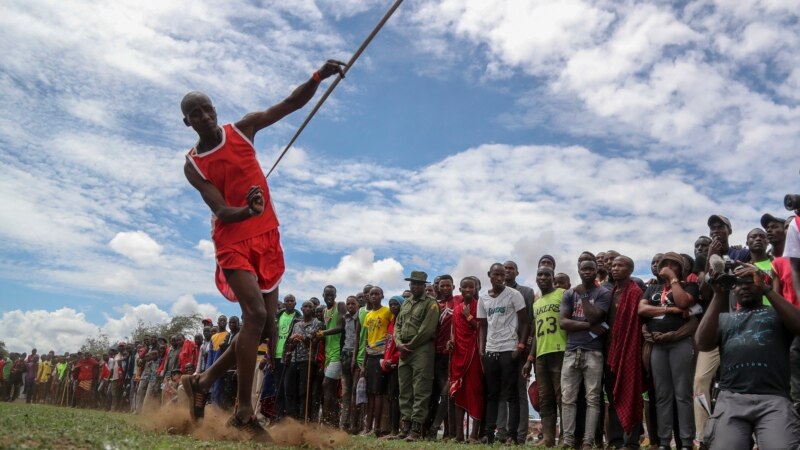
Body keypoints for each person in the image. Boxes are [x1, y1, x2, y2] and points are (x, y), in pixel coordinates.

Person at [180, 59, 345, 440]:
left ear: (215, 111)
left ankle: (202, 381)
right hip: (232, 239)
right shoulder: (193, 164)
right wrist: (247, 210)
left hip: (266, 236)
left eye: (207, 108)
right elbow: (220, 208)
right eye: (195, 113)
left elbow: (289, 104)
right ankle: (243, 411)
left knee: (267, 326)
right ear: (187, 122)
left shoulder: (244, 128)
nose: (203, 116)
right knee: (253, 313)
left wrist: (317, 77)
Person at [695, 262, 800, 449]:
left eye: (750, 281)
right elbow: (702, 343)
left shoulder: (777, 313)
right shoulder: (724, 318)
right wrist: (719, 295)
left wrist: (768, 290)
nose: (744, 286)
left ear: (760, 282)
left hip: (773, 399)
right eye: (737, 282)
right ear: (732, 289)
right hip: (731, 398)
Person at [638, 252, 698, 450]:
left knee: (682, 393)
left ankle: (687, 442)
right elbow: (642, 310)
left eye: (675, 265)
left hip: (680, 342)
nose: (670, 267)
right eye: (666, 264)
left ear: (682, 269)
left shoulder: (689, 286)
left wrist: (673, 280)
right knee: (662, 394)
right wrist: (670, 310)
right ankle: (664, 442)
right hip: (657, 345)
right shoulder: (652, 288)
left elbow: (683, 303)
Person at [559, 258, 611, 450]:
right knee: (568, 398)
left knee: (593, 399)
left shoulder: (603, 293)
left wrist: (582, 298)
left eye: (591, 269)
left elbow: (595, 316)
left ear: (596, 271)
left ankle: (588, 441)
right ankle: (568, 440)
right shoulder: (568, 294)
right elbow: (563, 323)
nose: (587, 272)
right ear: (579, 271)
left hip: (593, 352)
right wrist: (591, 327)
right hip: (572, 350)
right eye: (584, 269)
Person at [478, 263, 529, 445]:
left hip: (510, 349)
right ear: (489, 275)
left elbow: (525, 322)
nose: (500, 278)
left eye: (502, 275)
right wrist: (482, 349)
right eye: (496, 274)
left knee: (511, 394)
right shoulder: (483, 297)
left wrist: (520, 346)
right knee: (492, 393)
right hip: (491, 351)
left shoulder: (514, 295)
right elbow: (483, 326)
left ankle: (512, 435)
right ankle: (489, 433)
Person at [522, 266, 566, 448]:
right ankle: (548, 439)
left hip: (560, 351)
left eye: (547, 275)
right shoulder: (537, 303)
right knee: (545, 399)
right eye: (539, 274)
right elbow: (536, 334)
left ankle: (565, 438)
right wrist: (529, 359)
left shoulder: (563, 294)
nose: (543, 277)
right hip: (541, 355)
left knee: (563, 398)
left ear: (553, 277)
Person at [394, 271, 439, 441]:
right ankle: (405, 426)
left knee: (421, 388)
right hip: (404, 349)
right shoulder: (406, 303)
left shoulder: (431, 303)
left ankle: (416, 428)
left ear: (424, 286)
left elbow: (427, 329)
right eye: (413, 283)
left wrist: (409, 346)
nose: (415, 286)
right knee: (404, 388)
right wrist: (399, 344)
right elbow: (398, 325)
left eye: (419, 284)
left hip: (421, 349)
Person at [605, 256, 644, 448]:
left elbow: (636, 324)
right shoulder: (611, 293)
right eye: (613, 265)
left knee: (631, 394)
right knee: (612, 396)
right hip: (611, 352)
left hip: (630, 351)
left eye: (620, 265)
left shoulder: (635, 292)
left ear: (630, 270)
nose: (615, 268)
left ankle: (631, 442)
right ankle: (615, 440)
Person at [498, 262, 534, 443]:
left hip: (519, 349)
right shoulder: (495, 294)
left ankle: (520, 435)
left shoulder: (526, 292)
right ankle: (502, 433)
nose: (507, 271)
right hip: (500, 349)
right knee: (503, 392)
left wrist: (524, 345)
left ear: (517, 272)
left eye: (511, 268)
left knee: (520, 391)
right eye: (505, 268)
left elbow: (530, 320)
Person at [449, 277, 484, 443]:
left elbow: (482, 329)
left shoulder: (481, 306)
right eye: (465, 287)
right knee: (458, 392)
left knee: (475, 390)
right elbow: (454, 330)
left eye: (472, 287)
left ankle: (474, 435)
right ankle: (459, 435)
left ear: (476, 288)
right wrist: (450, 341)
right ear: (460, 289)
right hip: (458, 354)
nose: (468, 290)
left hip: (474, 354)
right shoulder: (456, 308)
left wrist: (469, 316)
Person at [427, 275, 456, 440]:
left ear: (453, 286)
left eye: (448, 285)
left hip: (453, 355)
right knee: (439, 394)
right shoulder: (433, 305)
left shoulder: (458, 302)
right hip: (436, 356)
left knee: (447, 393)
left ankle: (436, 428)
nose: (444, 288)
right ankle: (443, 431)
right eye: (442, 286)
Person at [362, 286, 393, 436]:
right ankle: (367, 427)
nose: (373, 296)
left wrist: (388, 354)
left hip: (382, 356)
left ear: (382, 295)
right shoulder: (368, 316)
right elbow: (367, 340)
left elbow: (391, 332)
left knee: (379, 392)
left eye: (376, 294)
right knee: (370, 393)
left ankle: (377, 428)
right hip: (370, 356)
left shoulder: (387, 311)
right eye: (371, 294)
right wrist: (363, 363)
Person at [283, 301, 321, 421]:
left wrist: (303, 338)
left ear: (313, 309)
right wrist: (291, 345)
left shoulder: (317, 323)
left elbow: (313, 344)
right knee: (290, 389)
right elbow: (291, 343)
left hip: (308, 360)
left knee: (304, 390)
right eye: (305, 306)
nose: (308, 308)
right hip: (294, 359)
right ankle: (291, 418)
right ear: (301, 308)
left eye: (310, 307)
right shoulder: (296, 325)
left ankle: (303, 418)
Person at [316, 285, 346, 427]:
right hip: (328, 354)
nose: (329, 297)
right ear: (323, 294)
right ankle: (332, 421)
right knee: (330, 390)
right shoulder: (324, 311)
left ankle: (327, 420)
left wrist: (323, 333)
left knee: (327, 385)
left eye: (332, 294)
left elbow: (341, 327)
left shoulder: (340, 306)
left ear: (335, 295)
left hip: (337, 353)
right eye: (327, 294)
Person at [381, 296, 403, 439]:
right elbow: (389, 344)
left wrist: (393, 359)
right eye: (391, 304)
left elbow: (403, 345)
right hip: (388, 364)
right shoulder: (391, 322)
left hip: (398, 364)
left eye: (396, 304)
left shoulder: (402, 322)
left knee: (397, 397)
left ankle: (396, 430)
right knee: (391, 397)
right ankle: (392, 429)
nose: (393, 306)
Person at [275, 294, 300, 419]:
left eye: (292, 301)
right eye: (287, 301)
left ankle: (289, 418)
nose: (289, 303)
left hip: (290, 357)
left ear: (295, 303)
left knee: (288, 388)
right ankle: (279, 417)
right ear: (284, 303)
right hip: (276, 356)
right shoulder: (278, 316)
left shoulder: (298, 318)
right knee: (278, 388)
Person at [340, 295, 360, 431]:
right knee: (345, 391)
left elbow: (359, 338)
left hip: (355, 355)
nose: (350, 306)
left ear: (358, 304)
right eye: (348, 304)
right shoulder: (345, 318)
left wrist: (355, 358)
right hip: (345, 355)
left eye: (353, 303)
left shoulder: (360, 317)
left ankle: (355, 424)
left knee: (355, 391)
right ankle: (344, 423)